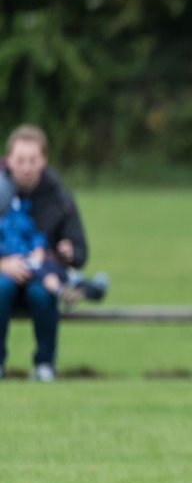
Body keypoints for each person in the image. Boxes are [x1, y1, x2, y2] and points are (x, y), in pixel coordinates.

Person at [0, 125, 90, 382]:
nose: (26, 167)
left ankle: (44, 364)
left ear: (44, 161)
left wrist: (69, 252)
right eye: (20, 160)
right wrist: (2, 264)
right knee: (1, 287)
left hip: (43, 279)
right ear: (8, 160)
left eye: (32, 160)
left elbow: (81, 251)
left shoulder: (60, 198)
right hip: (5, 277)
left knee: (40, 293)